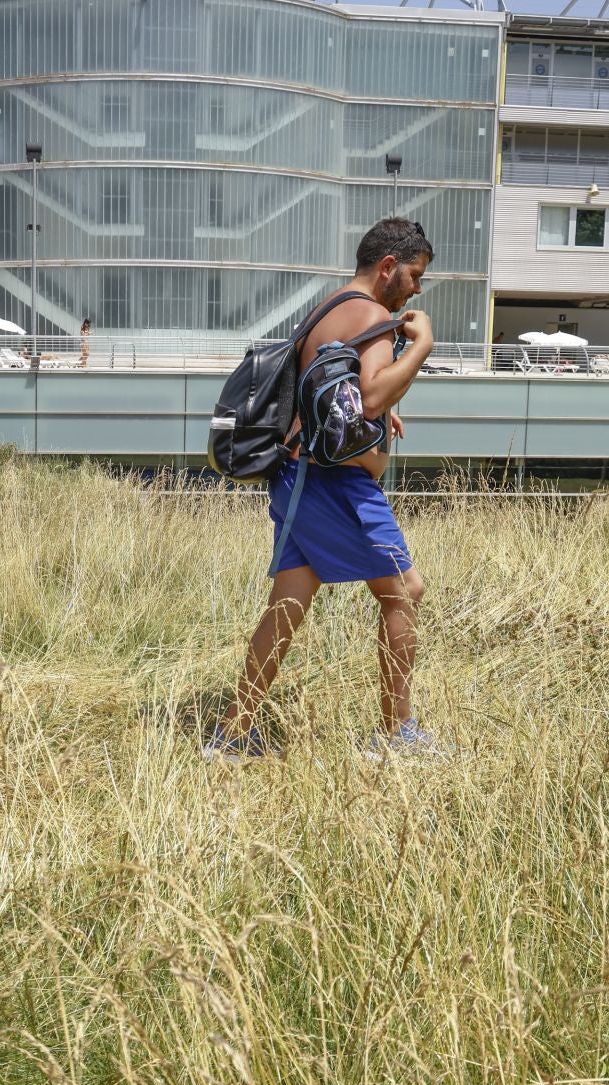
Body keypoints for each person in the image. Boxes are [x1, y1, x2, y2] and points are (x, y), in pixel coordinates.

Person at [206, 218, 437, 762]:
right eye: (415, 275)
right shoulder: (374, 316)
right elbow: (373, 395)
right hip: (335, 485)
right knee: (406, 591)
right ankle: (396, 733)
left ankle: (234, 734)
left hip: (299, 476)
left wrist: (377, 416)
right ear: (388, 267)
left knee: (287, 605)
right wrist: (421, 346)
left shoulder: (329, 308)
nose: (417, 289)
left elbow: (343, 394)